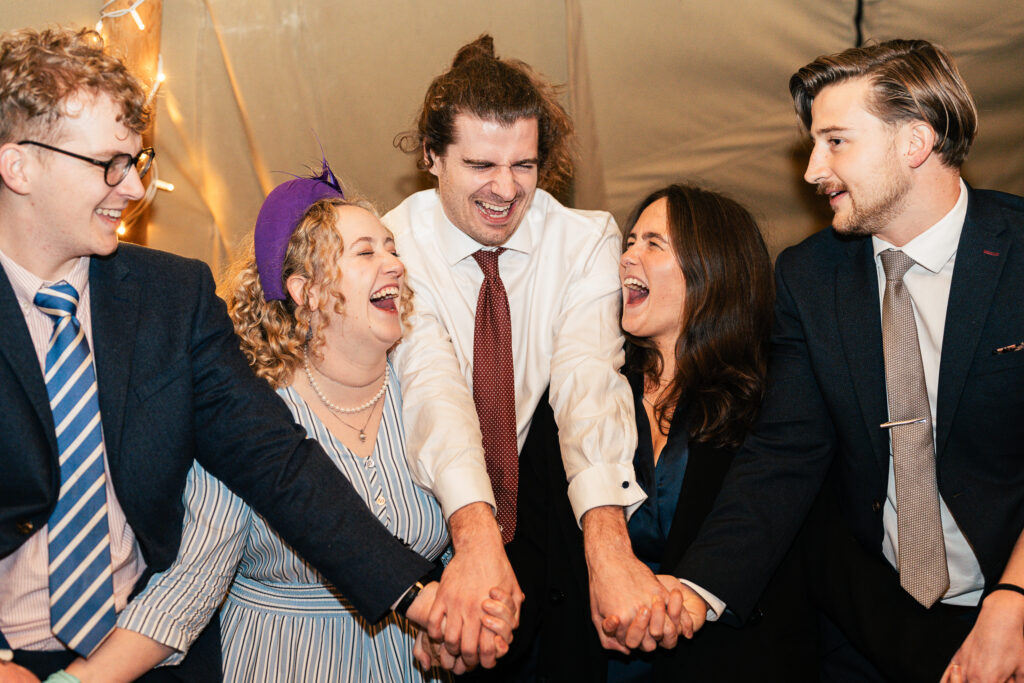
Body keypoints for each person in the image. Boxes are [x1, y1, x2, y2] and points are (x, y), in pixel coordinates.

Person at [0, 26, 491, 683]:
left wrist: (419, 598)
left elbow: (276, 461)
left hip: (150, 657)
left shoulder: (172, 295)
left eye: (137, 163)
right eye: (108, 164)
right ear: (19, 164)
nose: (133, 189)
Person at [54, 170, 515, 683]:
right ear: (307, 290)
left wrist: (459, 629)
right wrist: (78, 680)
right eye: (366, 252)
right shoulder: (249, 414)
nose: (396, 264)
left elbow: (462, 554)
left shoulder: (430, 400)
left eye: (392, 248)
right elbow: (188, 587)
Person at [674, 39, 1024, 682]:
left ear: (914, 142)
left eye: (836, 141)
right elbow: (783, 452)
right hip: (868, 628)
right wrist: (698, 588)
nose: (811, 169)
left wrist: (1014, 603)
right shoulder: (809, 276)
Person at [384, 34, 695, 679]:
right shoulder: (393, 242)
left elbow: (589, 386)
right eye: (481, 166)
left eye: (523, 165)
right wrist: (471, 547)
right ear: (431, 156)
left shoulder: (584, 240)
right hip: (412, 521)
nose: (505, 189)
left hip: (536, 528)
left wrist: (608, 553)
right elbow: (430, 385)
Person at [603, 183, 817, 681]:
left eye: (653, 244)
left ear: (712, 270)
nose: (627, 257)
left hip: (722, 658)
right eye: (628, 242)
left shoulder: (769, 400)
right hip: (604, 656)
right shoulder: (596, 388)